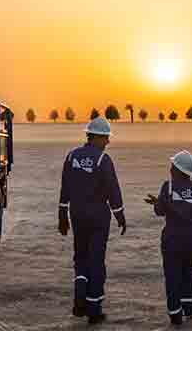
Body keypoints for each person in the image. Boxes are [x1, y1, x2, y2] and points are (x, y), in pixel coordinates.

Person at [58, 116, 126, 324]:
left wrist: (62, 215)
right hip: (98, 217)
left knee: (80, 257)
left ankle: (80, 296)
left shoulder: (71, 157)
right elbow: (113, 190)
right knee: (96, 260)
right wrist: (120, 215)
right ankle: (94, 309)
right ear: (95, 137)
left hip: (77, 215)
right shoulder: (102, 160)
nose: (108, 142)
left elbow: (65, 188)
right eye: (105, 138)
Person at [145, 149, 192, 325]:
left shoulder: (168, 187)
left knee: (172, 275)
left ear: (178, 170)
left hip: (172, 239)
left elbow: (160, 211)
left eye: (173, 166)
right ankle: (189, 308)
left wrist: (159, 203)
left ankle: (175, 313)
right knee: (189, 272)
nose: (170, 168)